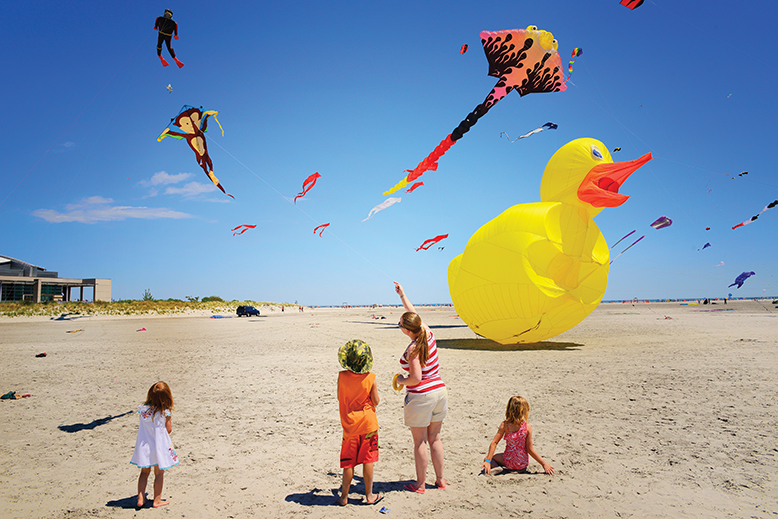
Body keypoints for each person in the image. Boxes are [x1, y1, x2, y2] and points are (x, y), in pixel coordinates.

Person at [393, 282, 447, 493]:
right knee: (435, 438)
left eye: (400, 325)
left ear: (407, 330)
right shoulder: (427, 332)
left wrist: (400, 380)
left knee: (420, 442)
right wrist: (402, 295)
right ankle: (441, 480)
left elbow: (416, 378)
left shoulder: (413, 348)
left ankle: (420, 484)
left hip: (423, 395)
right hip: (440, 392)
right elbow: (412, 313)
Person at [336, 340, 383, 506]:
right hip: (368, 424)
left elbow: (339, 396)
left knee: (348, 462)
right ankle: (369, 495)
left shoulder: (342, 377)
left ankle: (344, 497)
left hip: (350, 425)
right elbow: (376, 401)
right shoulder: (371, 378)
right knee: (368, 459)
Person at [130, 381, 179, 508]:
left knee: (144, 473)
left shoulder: (143, 410)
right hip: (159, 447)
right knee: (159, 474)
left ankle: (140, 498)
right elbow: (168, 430)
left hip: (145, 445)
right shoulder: (165, 412)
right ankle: (157, 500)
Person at [481, 395, 554, 475]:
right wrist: (544, 464)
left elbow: (494, 443)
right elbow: (530, 449)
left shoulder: (505, 425)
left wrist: (488, 460)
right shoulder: (527, 428)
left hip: (509, 461)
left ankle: (496, 467)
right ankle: (518, 468)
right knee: (516, 457)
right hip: (522, 463)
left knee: (490, 458)